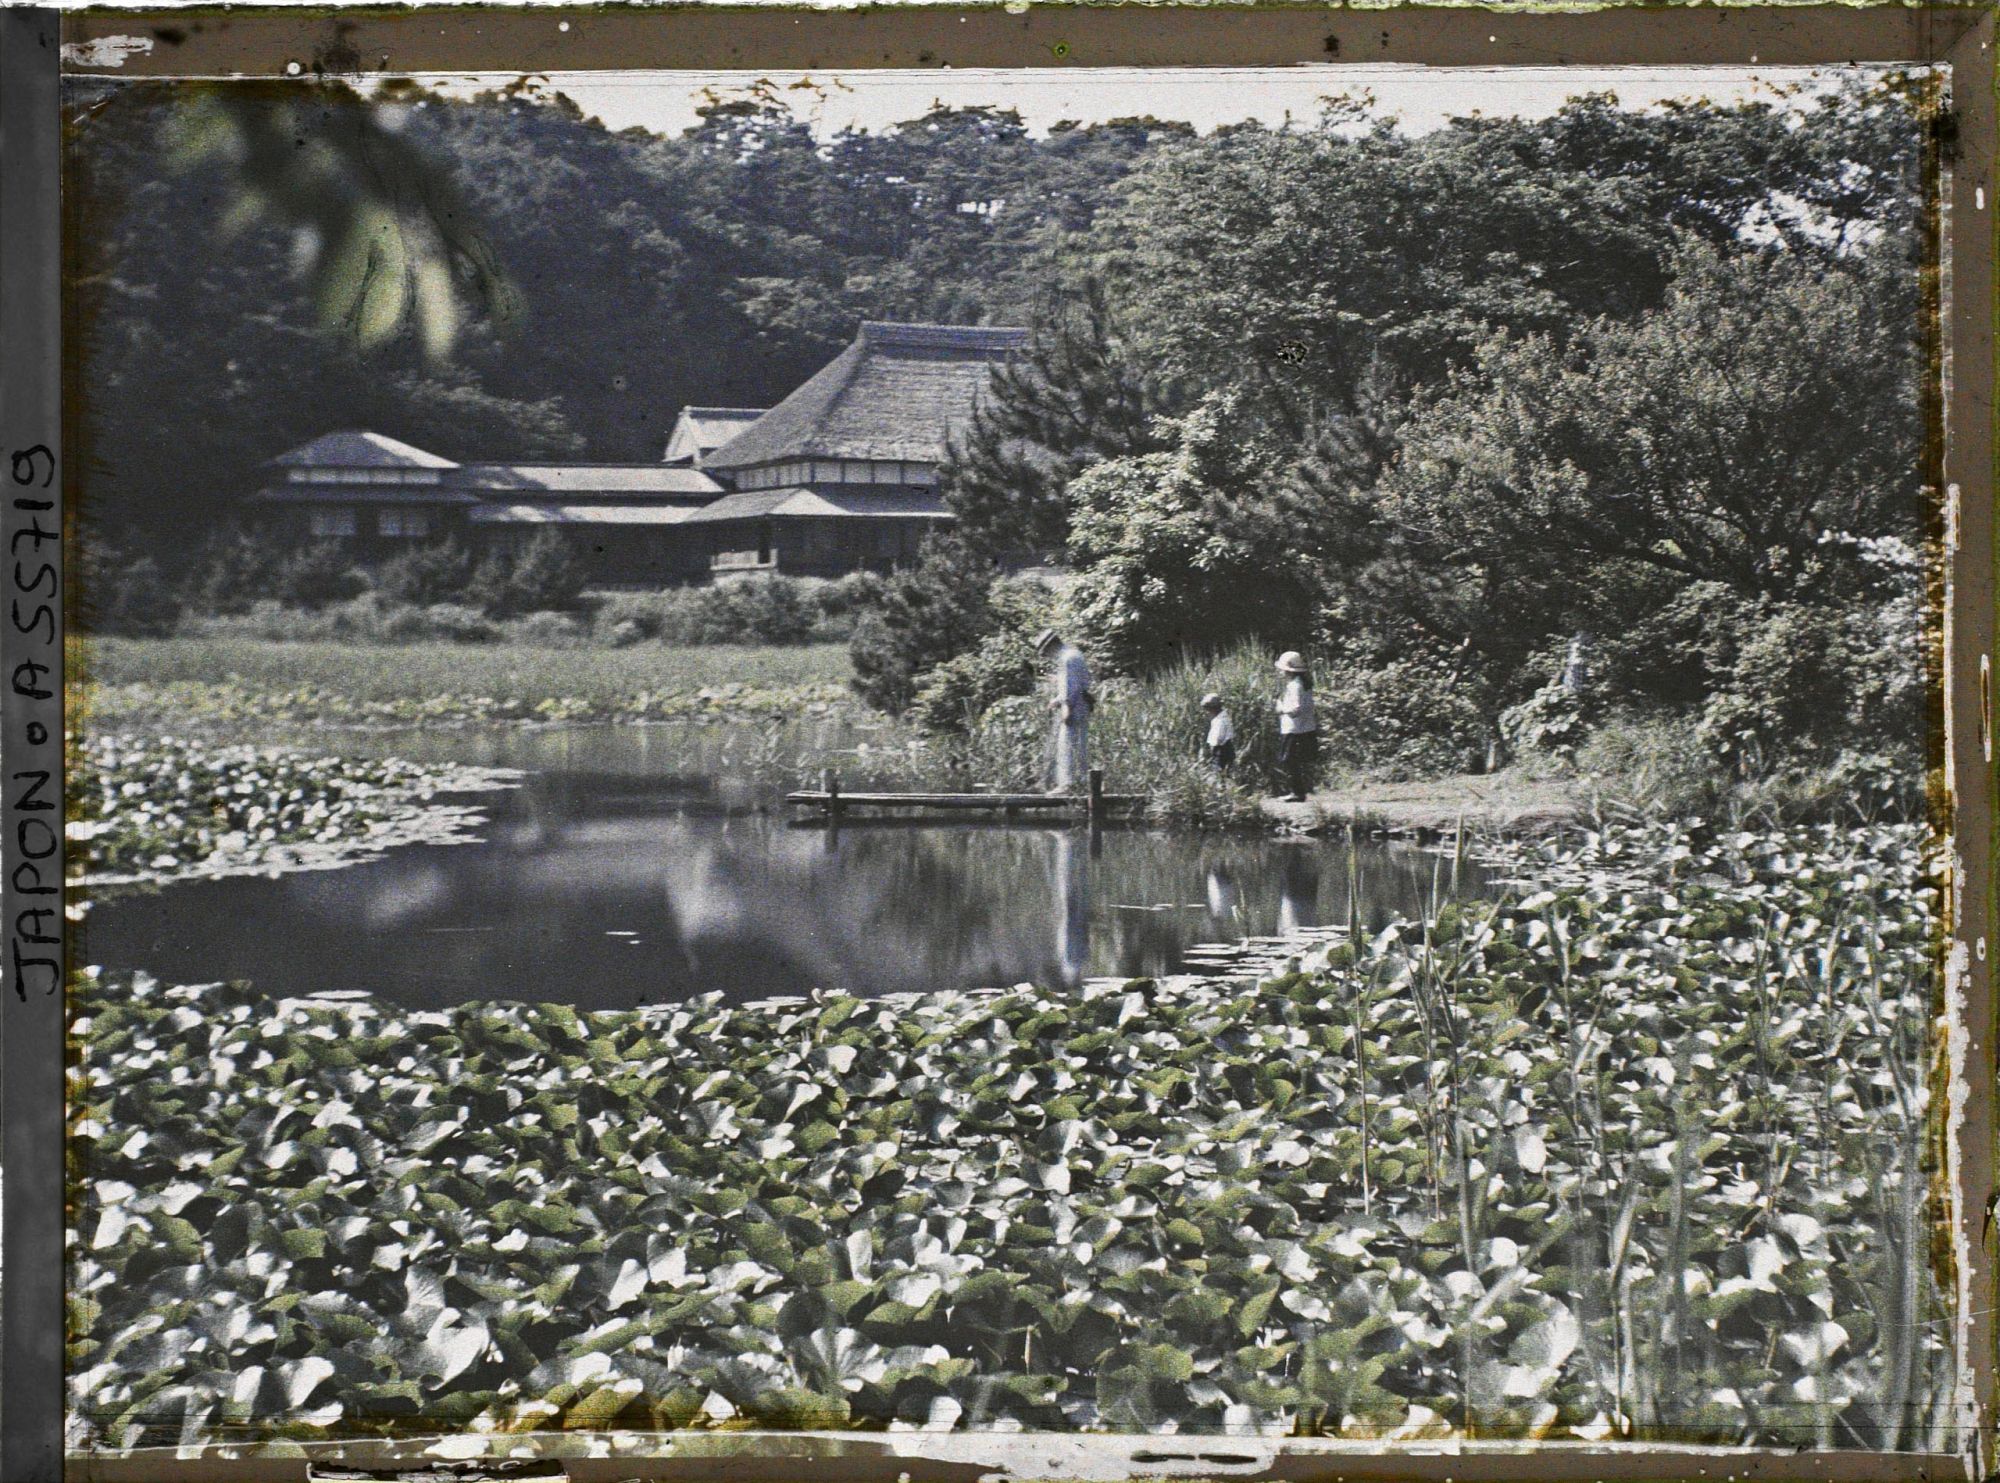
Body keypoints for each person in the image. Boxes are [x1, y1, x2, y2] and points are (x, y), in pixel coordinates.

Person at [1036, 628, 1093, 792]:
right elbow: (1073, 682)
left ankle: (1068, 785)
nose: (1046, 655)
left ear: (1051, 646)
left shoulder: (1067, 659)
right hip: (1081, 704)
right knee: (1078, 744)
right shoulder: (1074, 654)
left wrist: (1066, 707)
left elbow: (1070, 687)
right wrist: (1056, 700)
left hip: (1074, 706)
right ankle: (1079, 783)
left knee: (1068, 743)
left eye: (1045, 652)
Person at [1273, 650, 1319, 802]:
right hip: (1305, 727)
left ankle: (1297, 793)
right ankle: (1301, 790)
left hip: (1294, 729)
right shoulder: (1304, 684)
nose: (1280, 671)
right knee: (1296, 760)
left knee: (1289, 760)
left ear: (1288, 670)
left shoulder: (1294, 685)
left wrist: (1281, 708)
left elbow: (1295, 710)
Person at [1200, 692, 1236, 773]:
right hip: (1223, 750)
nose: (1207, 712)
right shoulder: (1220, 718)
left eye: (1208, 709)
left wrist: (1212, 749)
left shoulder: (1220, 721)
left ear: (1213, 708)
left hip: (1222, 751)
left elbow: (1218, 739)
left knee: (1220, 773)